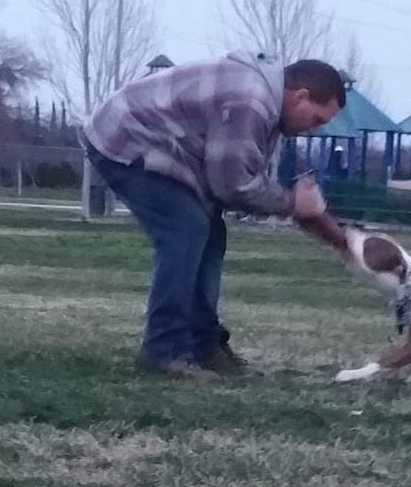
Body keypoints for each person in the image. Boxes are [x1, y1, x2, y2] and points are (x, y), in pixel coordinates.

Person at [85, 51, 344, 376]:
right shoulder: (251, 99)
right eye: (318, 120)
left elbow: (237, 173)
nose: (314, 130)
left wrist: (291, 203)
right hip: (125, 138)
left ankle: (203, 346)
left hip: (165, 147)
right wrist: (293, 203)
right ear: (301, 96)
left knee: (209, 233)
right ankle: (163, 351)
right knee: (186, 229)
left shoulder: (265, 99)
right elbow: (232, 185)